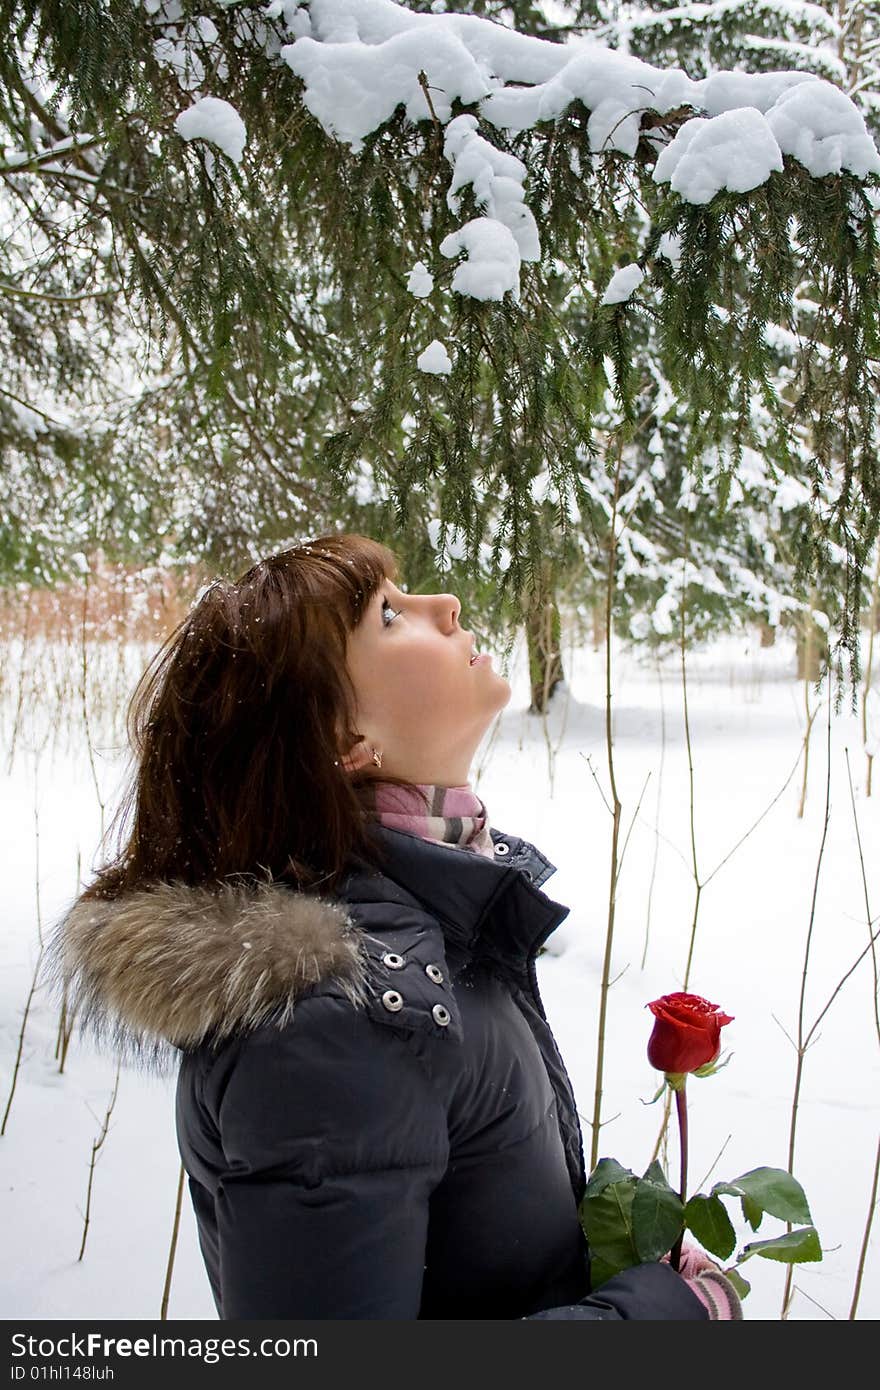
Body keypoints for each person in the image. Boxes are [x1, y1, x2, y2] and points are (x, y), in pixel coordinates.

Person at [47, 533, 740, 1319]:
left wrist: (607, 1259)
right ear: (345, 742)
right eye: (386, 613)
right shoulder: (328, 1026)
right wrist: (660, 1316)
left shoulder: (423, 928)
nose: (443, 607)